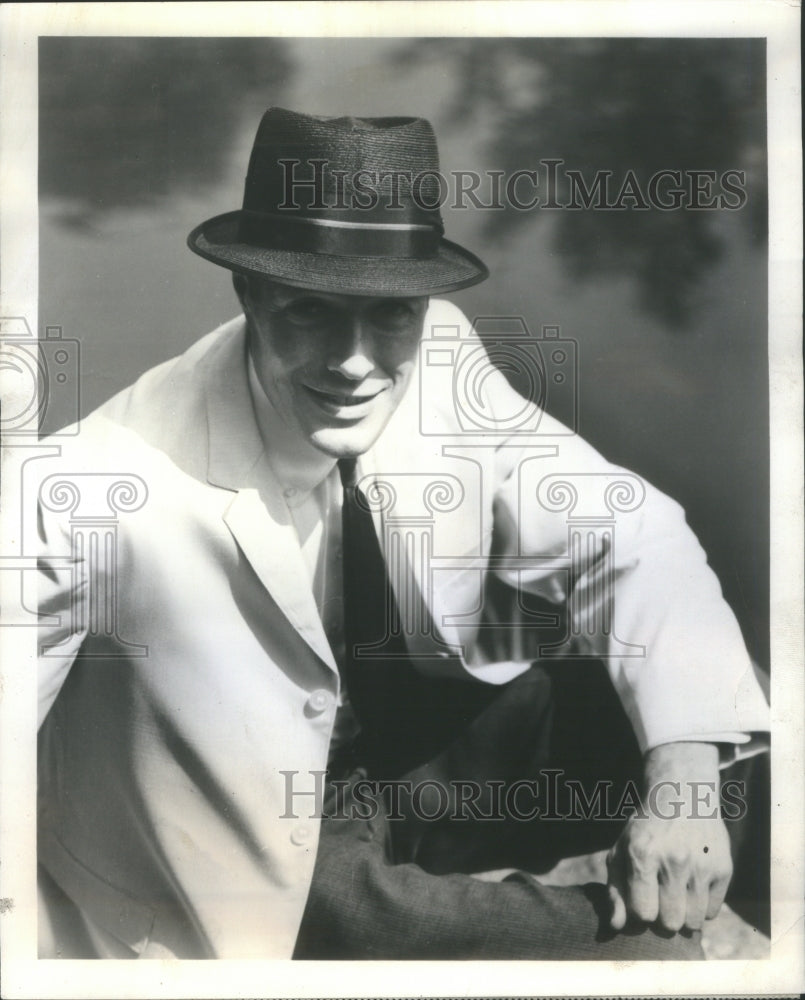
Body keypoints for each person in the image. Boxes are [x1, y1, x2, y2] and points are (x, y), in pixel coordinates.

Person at [35, 107, 769, 960]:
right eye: (309, 312)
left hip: (412, 740)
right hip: (267, 813)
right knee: (357, 918)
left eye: (389, 315)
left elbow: (630, 528)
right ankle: (623, 920)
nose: (354, 361)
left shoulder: (440, 354)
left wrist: (679, 785)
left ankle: (655, 884)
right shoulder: (91, 481)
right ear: (248, 294)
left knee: (721, 711)